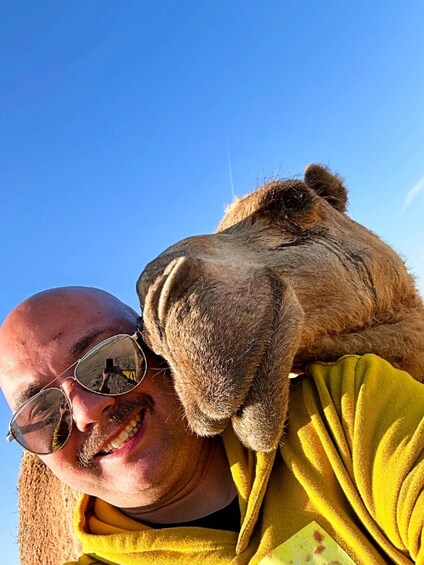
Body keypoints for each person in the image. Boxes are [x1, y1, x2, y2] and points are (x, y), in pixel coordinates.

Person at [0, 287, 423, 564]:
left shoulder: (342, 410)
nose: (85, 412)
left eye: (107, 361)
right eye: (42, 415)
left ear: (158, 344)